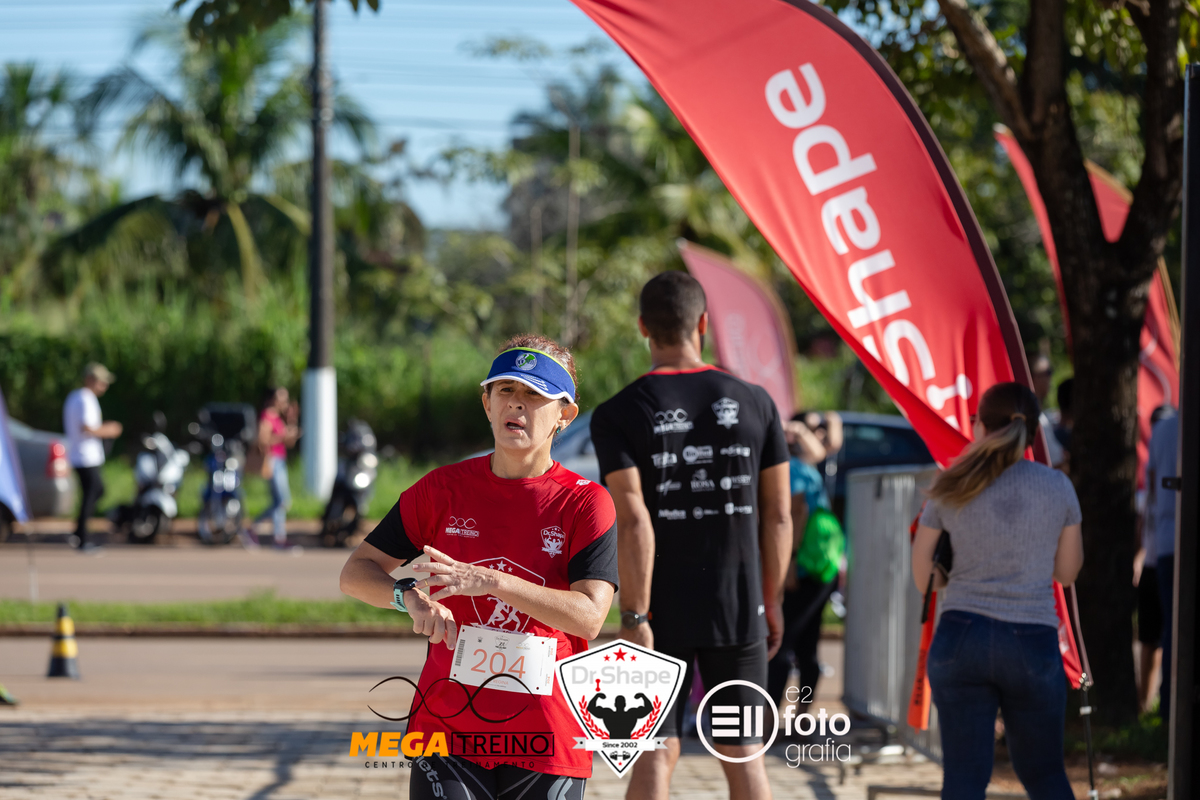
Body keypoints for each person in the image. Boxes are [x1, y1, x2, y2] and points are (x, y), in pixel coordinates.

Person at [340, 334, 617, 799]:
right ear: (486, 402)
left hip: (547, 734)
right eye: (506, 390)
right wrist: (405, 597)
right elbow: (356, 572)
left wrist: (489, 581)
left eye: (534, 395)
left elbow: (589, 616)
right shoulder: (441, 490)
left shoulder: (586, 502)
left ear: (564, 415)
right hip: (446, 727)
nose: (517, 406)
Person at [590, 271, 791, 800]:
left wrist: (633, 616)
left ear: (642, 328)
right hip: (738, 605)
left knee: (655, 750)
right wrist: (770, 600)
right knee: (742, 751)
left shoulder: (617, 413)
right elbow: (778, 517)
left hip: (659, 611)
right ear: (703, 323)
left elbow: (632, 517)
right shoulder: (757, 401)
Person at [912, 382, 1083, 800]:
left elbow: (924, 579)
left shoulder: (951, 484)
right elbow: (1066, 573)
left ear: (979, 425)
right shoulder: (1058, 487)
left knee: (964, 780)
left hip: (960, 637)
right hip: (1031, 641)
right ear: (1031, 431)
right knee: (1044, 775)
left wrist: (954, 573)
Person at [766, 411, 843, 715]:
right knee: (806, 648)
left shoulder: (791, 469)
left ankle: (767, 721)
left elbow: (795, 513)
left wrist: (787, 566)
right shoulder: (806, 466)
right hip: (821, 569)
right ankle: (800, 720)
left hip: (801, 570)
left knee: (781, 644)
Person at [1135, 405, 1173, 712]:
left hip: (1156, 557)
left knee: (1155, 640)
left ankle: (1150, 704)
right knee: (1153, 639)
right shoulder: (1165, 443)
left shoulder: (1158, 449)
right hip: (1153, 560)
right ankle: (1147, 705)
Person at [62, 363, 122, 553]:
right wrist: (110, 430)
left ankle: (79, 532)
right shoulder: (85, 398)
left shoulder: (75, 397)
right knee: (93, 492)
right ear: (90, 380)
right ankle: (82, 538)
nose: (104, 386)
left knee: (93, 492)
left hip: (80, 454)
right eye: (101, 382)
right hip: (85, 456)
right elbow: (87, 428)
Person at [1146, 408, 1181, 717]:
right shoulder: (1174, 428)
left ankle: (1168, 711)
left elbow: (1152, 490)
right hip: (1173, 541)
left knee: (1173, 627)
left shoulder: (1163, 430)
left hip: (1166, 542)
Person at [251, 387, 300, 549]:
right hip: (271, 461)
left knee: (278, 502)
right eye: (282, 399)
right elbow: (262, 440)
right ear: (273, 400)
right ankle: (253, 527)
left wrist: (292, 421)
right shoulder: (267, 416)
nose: (285, 402)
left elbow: (289, 443)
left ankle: (279, 539)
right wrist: (283, 436)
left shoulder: (279, 418)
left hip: (280, 460)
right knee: (282, 501)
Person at [1029, 354, 1065, 468]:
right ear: (1034, 378)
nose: (1050, 378)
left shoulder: (1038, 414)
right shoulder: (1034, 417)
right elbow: (1056, 462)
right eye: (1048, 372)